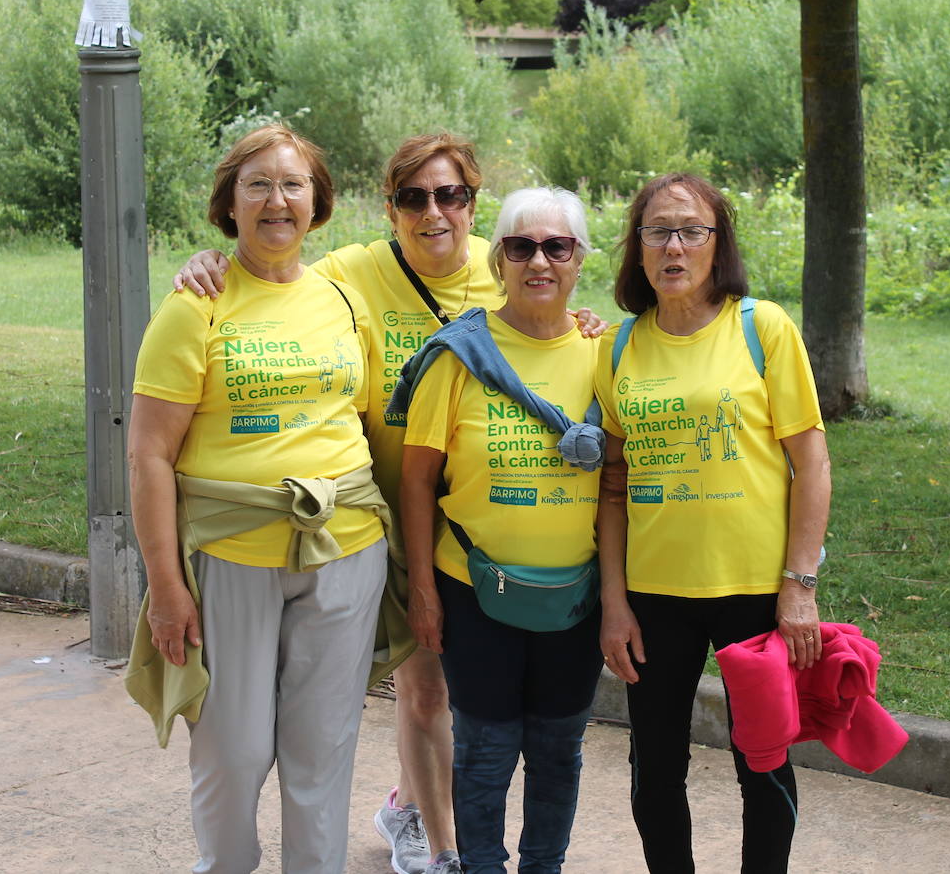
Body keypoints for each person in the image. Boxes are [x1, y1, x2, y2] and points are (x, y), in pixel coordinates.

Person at [172, 134, 604, 874]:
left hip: (472, 517)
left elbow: (549, 317)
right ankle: (440, 845)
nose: (433, 212)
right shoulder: (350, 274)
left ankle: (415, 807)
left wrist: (584, 322)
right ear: (390, 208)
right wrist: (207, 262)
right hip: (384, 509)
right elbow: (273, 274)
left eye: (451, 195)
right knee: (423, 689)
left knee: (452, 697)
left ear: (474, 204)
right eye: (413, 197)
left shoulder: (504, 265)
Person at [124, 124, 389, 874]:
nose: (278, 200)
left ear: (317, 202)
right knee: (232, 749)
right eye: (259, 185)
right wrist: (165, 588)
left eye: (293, 184)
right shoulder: (195, 305)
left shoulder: (343, 300)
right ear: (230, 204)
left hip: (346, 549)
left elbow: (366, 417)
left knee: (322, 749)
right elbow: (148, 455)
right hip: (230, 555)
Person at [594, 173, 831, 873]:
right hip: (654, 597)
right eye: (658, 231)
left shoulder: (763, 328)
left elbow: (812, 464)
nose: (674, 246)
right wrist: (614, 601)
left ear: (717, 242)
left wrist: (800, 585)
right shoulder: (616, 347)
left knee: (764, 763)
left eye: (692, 230)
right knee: (654, 768)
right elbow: (612, 486)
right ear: (638, 247)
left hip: (754, 593)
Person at [397, 187, 605, 873]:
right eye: (521, 247)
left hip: (575, 597)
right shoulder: (456, 357)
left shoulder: (607, 355)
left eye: (557, 247)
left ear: (579, 260)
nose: (539, 261)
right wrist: (423, 590)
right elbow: (417, 482)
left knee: (558, 753)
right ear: (499, 261)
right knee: (484, 754)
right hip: (473, 591)